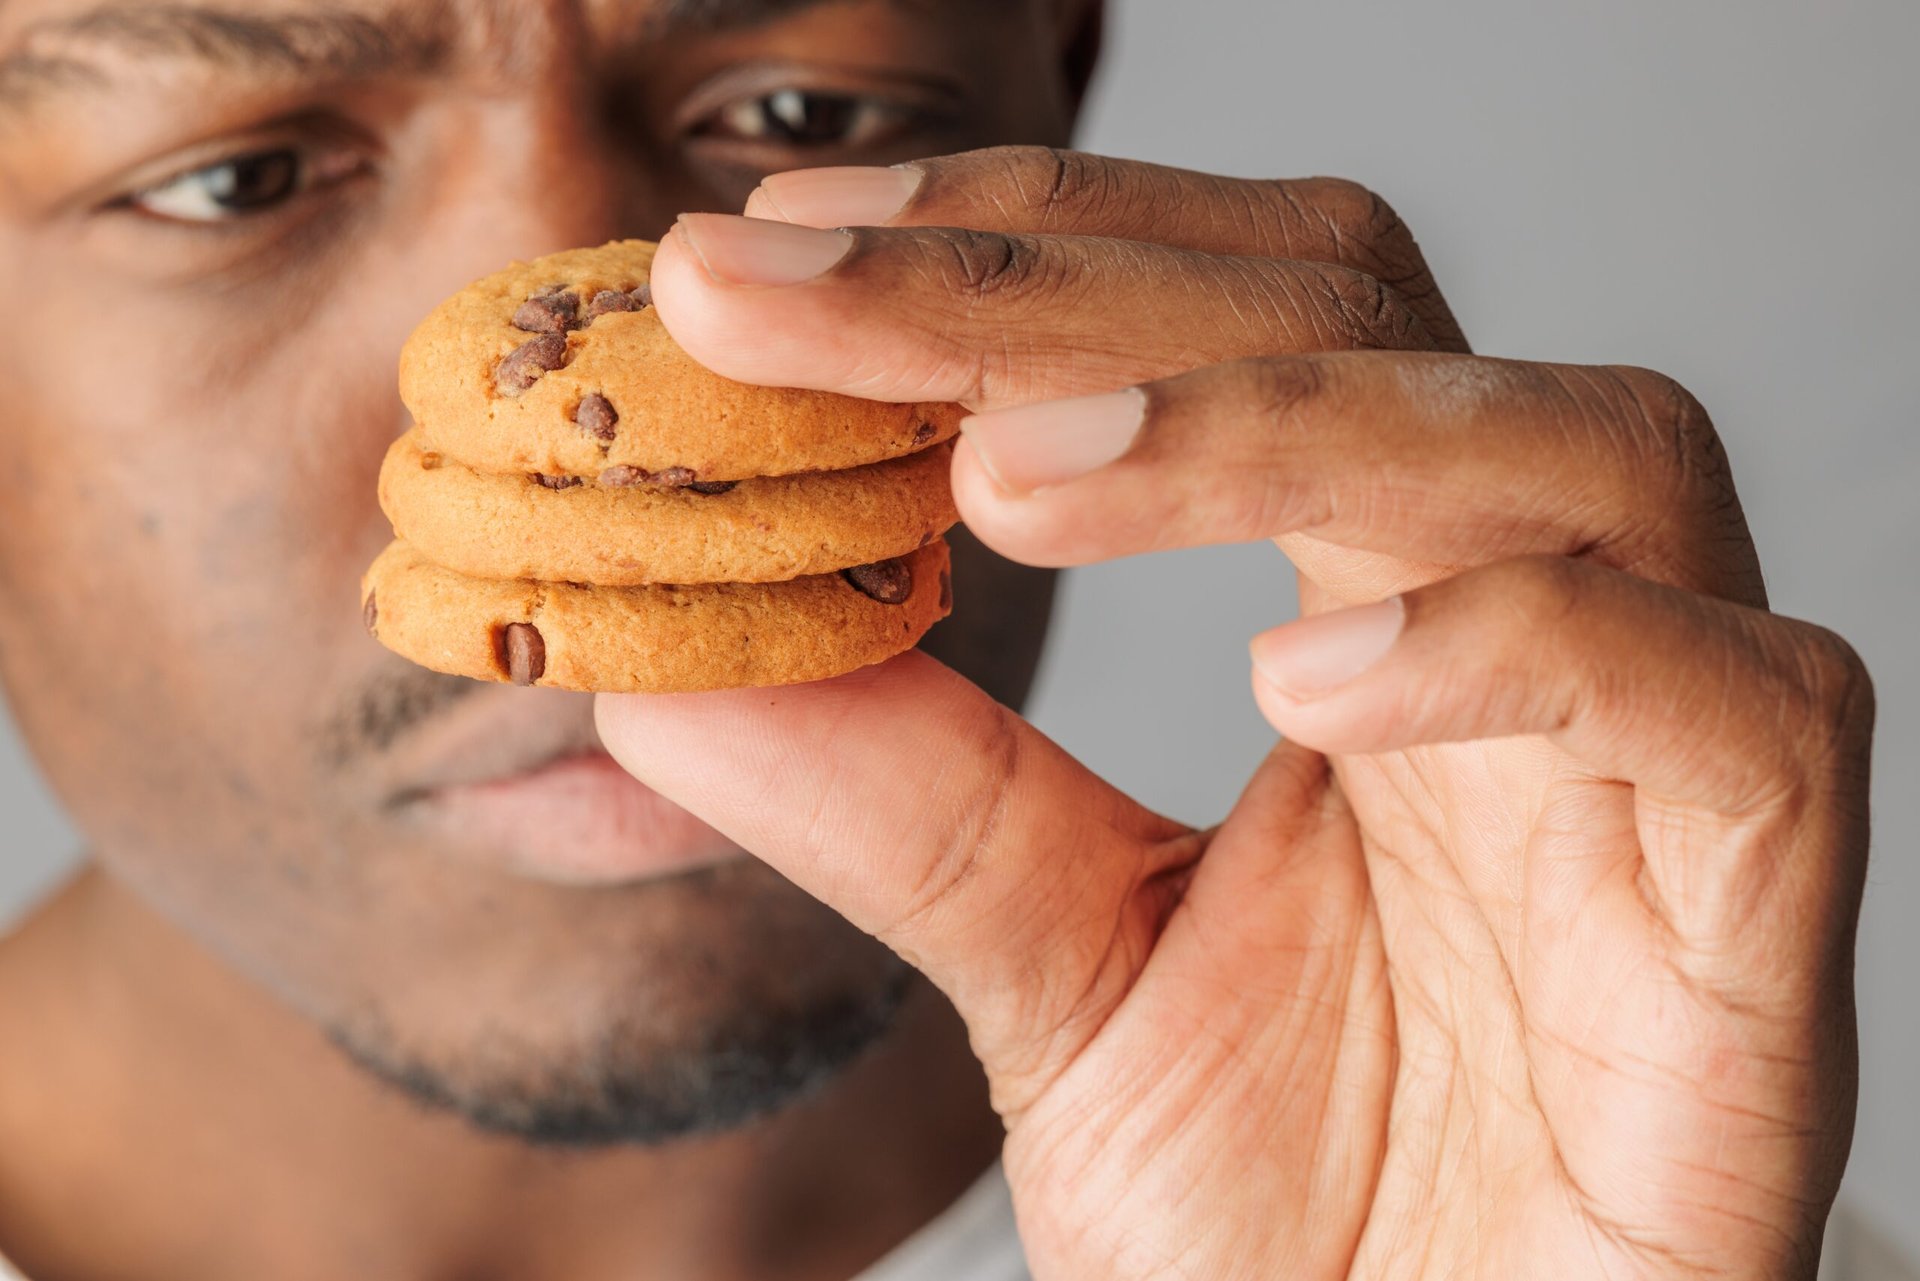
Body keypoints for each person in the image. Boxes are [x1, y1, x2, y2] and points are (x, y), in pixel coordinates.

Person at [0, 0, 1875, 1278]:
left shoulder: (1612, 1223)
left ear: (1058, 82)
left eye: (805, 117)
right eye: (230, 176)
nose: (630, 433)